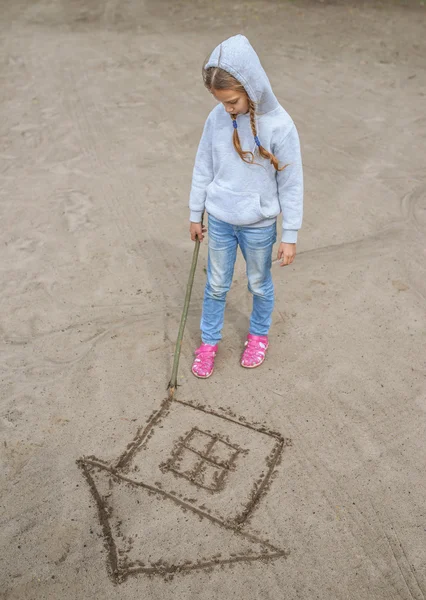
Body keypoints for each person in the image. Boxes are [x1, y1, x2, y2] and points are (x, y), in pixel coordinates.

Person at [189, 34, 303, 379]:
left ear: (252, 87)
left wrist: (290, 234)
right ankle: (209, 342)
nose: (228, 109)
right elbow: (203, 166)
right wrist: (196, 213)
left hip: (258, 225)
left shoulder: (281, 125)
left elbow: (292, 183)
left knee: (258, 283)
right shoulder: (216, 119)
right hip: (221, 220)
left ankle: (257, 336)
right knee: (216, 285)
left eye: (233, 101)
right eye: (222, 102)